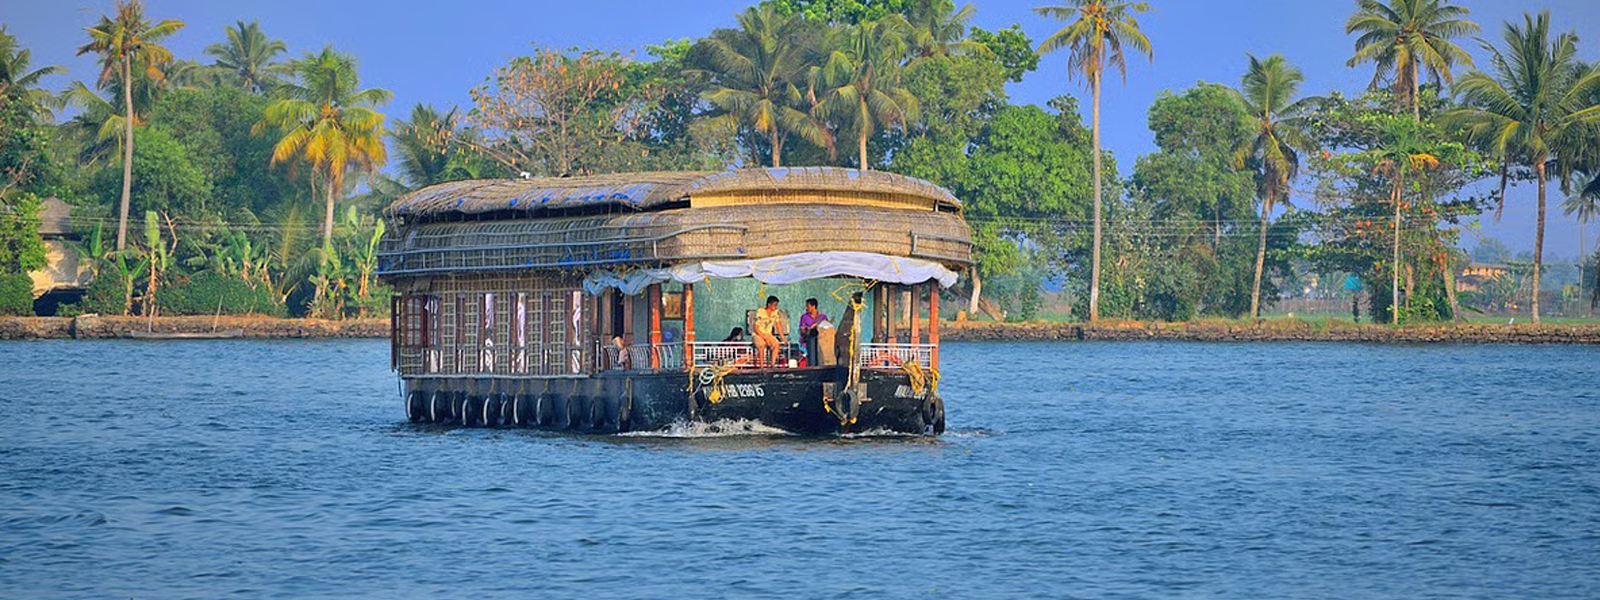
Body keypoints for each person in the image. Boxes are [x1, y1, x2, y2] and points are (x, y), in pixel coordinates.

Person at [752, 295, 788, 367]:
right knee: (762, 344)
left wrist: (783, 338)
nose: (776, 307)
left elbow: (778, 325)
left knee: (776, 344)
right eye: (774, 305)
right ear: (769, 305)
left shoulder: (775, 313)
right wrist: (764, 338)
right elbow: (756, 327)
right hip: (758, 333)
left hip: (768, 334)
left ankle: (772, 365)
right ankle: (761, 366)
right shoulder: (761, 312)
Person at [798, 298, 830, 366]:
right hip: (807, 341)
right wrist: (807, 329)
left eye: (808, 306)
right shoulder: (804, 317)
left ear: (813, 306)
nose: (806, 308)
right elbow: (802, 331)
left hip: (821, 341)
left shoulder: (822, 317)